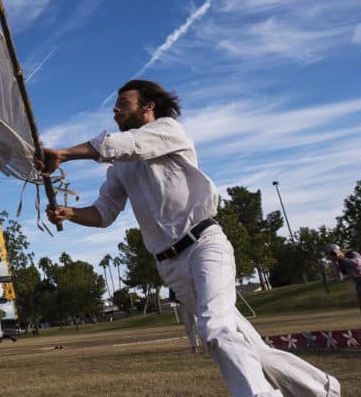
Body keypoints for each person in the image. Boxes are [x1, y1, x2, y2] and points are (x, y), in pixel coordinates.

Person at [43, 79, 339, 397]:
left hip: (203, 246)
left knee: (216, 330)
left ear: (148, 106)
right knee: (244, 344)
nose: (115, 109)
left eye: (123, 103)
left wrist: (63, 153)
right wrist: (69, 213)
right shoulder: (119, 169)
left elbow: (125, 145)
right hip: (170, 267)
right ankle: (323, 389)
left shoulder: (168, 130)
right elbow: (104, 212)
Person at [326, 244, 361, 326]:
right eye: (331, 254)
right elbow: (339, 278)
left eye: (334, 252)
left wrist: (341, 258)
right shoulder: (340, 263)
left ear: (340, 250)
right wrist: (336, 265)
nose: (333, 255)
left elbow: (356, 263)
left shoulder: (352, 254)